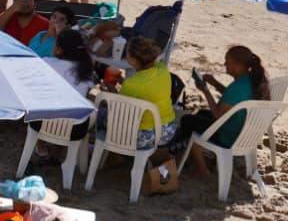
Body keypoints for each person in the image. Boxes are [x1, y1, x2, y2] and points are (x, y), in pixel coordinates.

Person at [173, 45, 270, 176]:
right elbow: (232, 100)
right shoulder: (250, 81)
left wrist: (205, 91)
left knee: (187, 120)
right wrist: (214, 83)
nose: (224, 64)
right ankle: (196, 154)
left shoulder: (236, 87)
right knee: (202, 113)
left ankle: (197, 163)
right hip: (242, 131)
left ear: (237, 65)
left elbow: (218, 115)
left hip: (228, 136)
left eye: (227, 61)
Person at [31, 29, 97, 164]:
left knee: (42, 103)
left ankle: (41, 145)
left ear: (59, 49)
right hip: (75, 129)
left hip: (42, 123)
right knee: (82, 104)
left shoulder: (46, 63)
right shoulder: (85, 69)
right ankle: (59, 149)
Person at [102, 37, 179, 150]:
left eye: (127, 53)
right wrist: (122, 82)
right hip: (167, 131)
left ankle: (113, 154)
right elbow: (147, 89)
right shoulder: (162, 69)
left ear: (132, 60)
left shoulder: (132, 84)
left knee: (102, 114)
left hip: (144, 136)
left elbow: (120, 111)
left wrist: (110, 89)